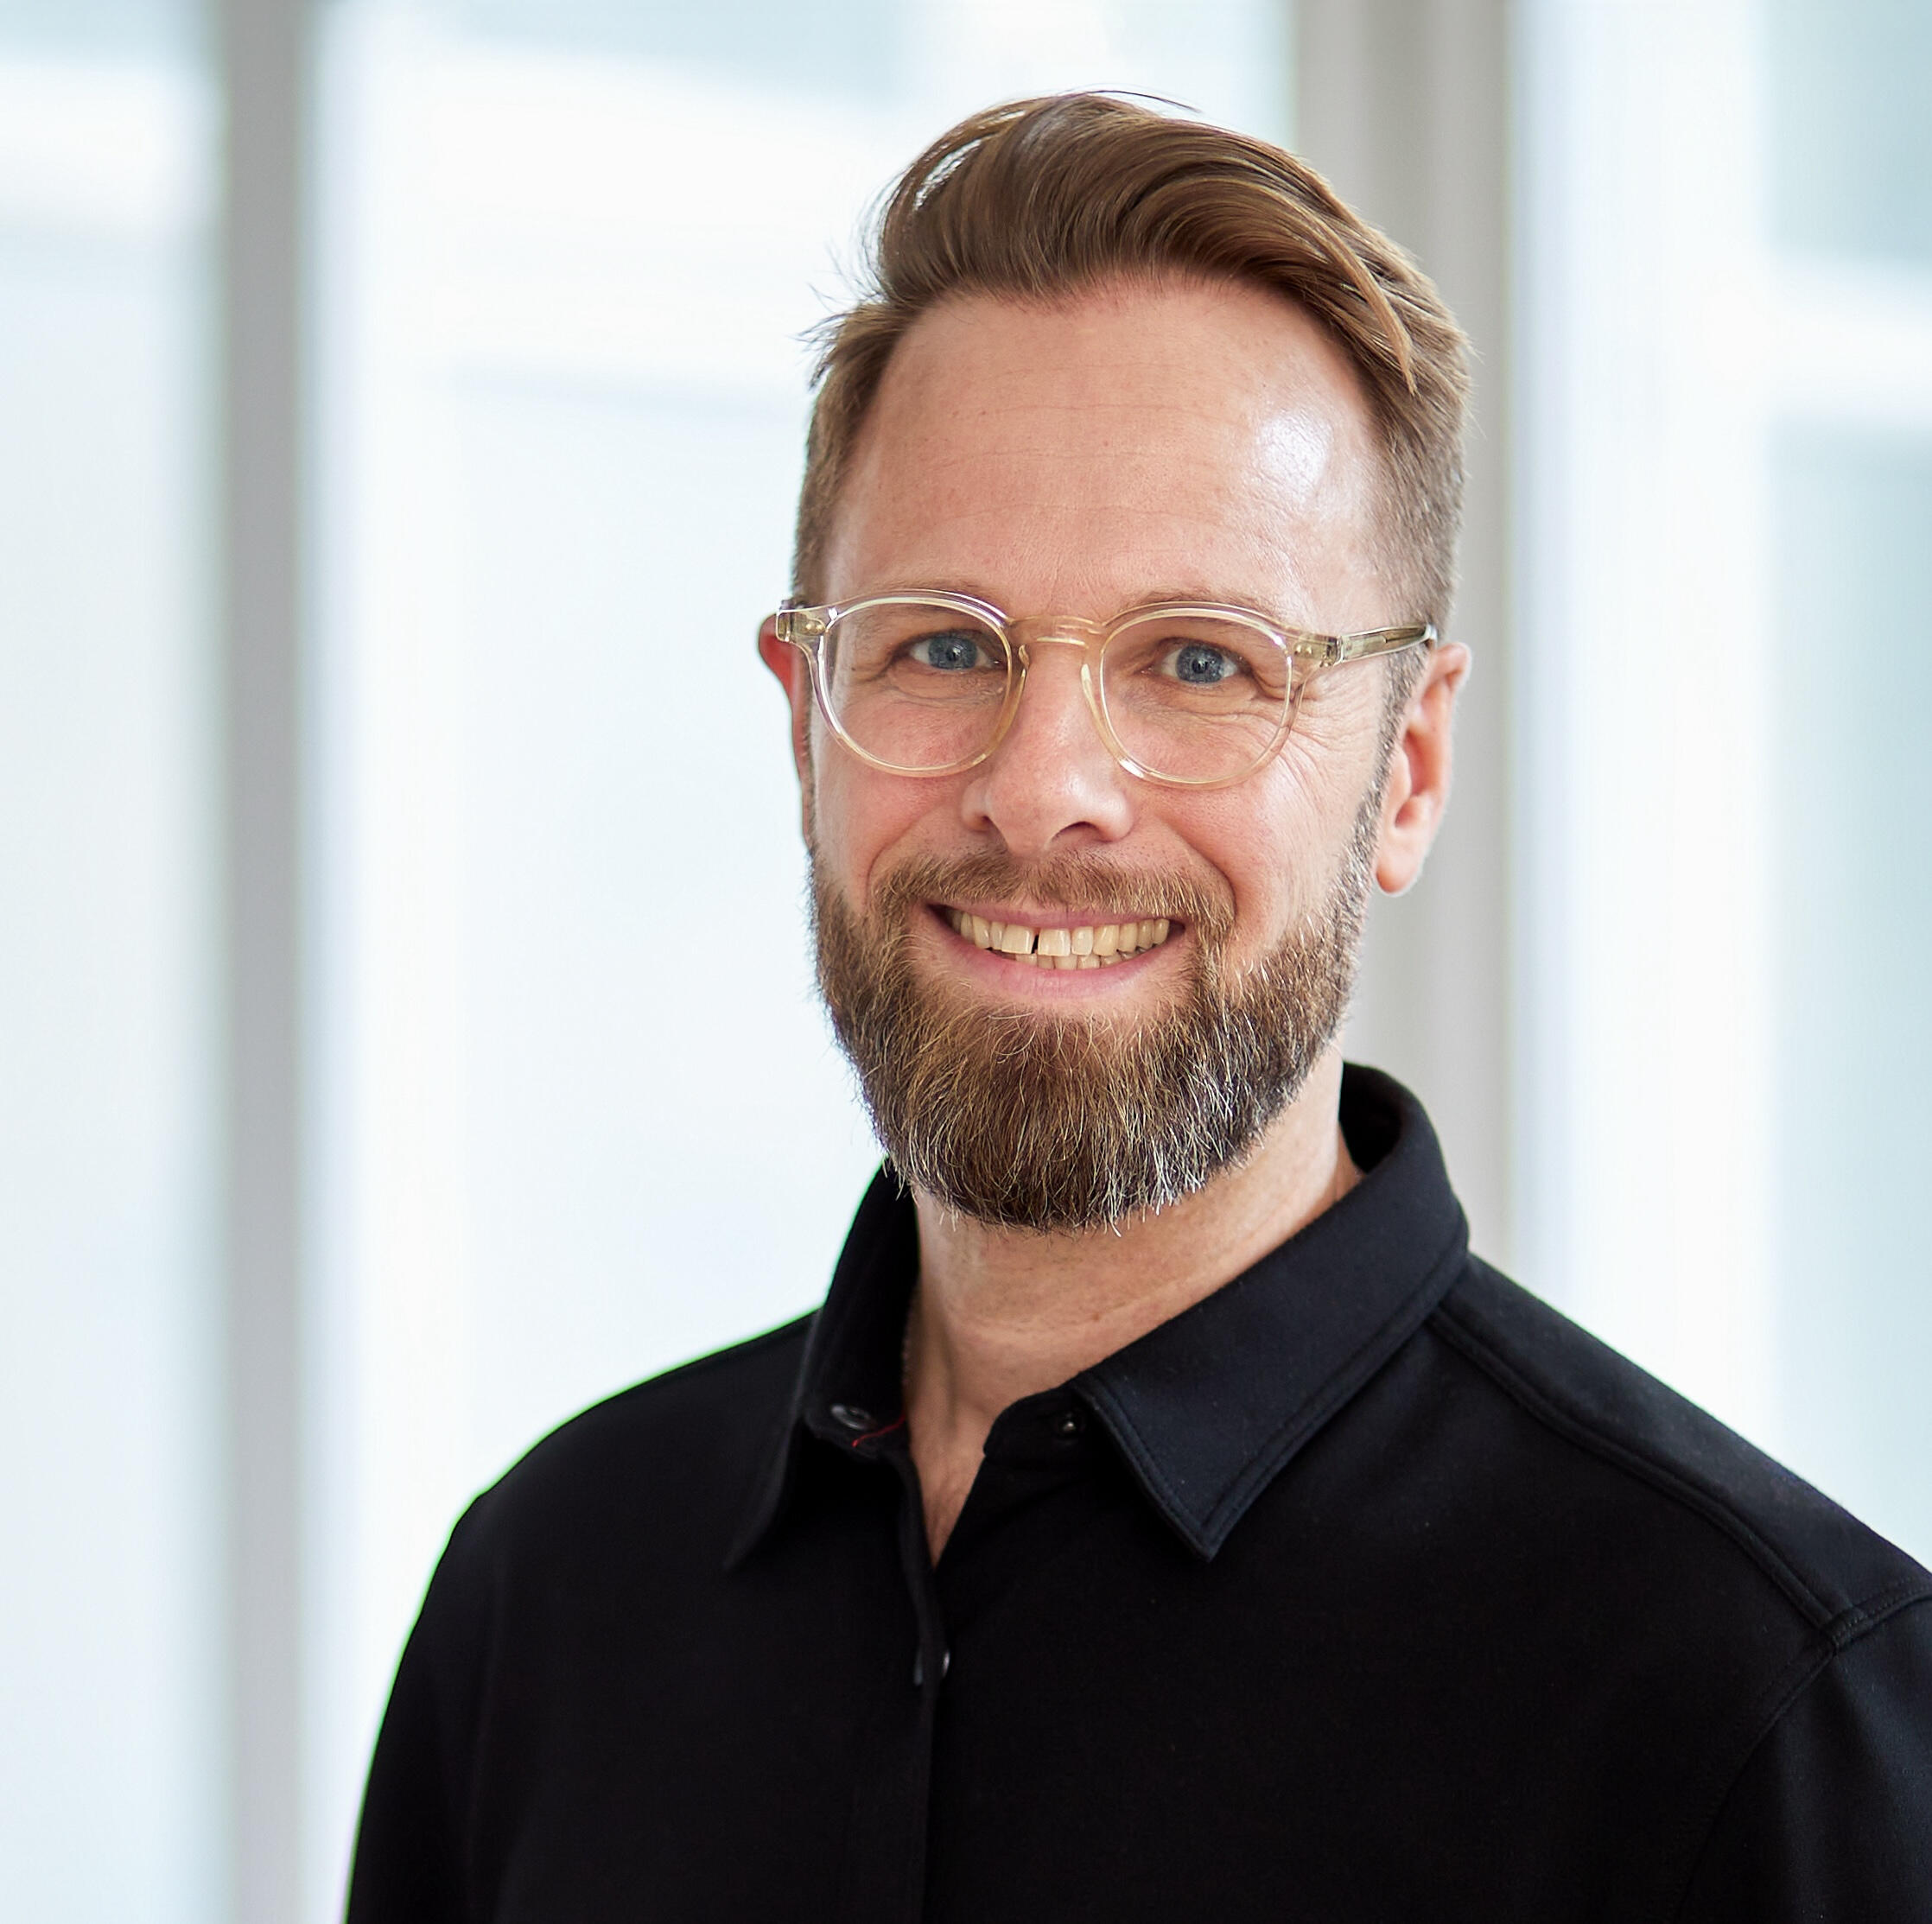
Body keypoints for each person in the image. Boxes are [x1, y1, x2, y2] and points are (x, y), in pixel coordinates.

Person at [346, 95, 1932, 1922]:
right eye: (942, 644)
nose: (1042, 793)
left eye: (1198, 661)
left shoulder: (1765, 1728)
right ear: (802, 715)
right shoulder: (542, 1604)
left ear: (1403, 770)